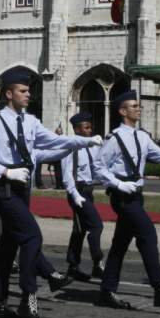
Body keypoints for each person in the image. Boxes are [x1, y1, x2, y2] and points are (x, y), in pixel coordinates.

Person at [0, 71, 99, 318]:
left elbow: (52, 140)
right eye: (23, 91)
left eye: (29, 91)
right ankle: (28, 298)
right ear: (9, 94)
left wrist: (81, 142)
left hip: (22, 189)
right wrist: (5, 171)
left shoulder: (30, 121)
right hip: (4, 188)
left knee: (8, 243)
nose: (28, 94)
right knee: (32, 236)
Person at [92, 90, 160, 311]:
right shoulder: (114, 138)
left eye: (139, 105)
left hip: (136, 195)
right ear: (123, 111)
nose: (139, 108)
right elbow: (98, 167)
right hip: (123, 196)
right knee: (147, 235)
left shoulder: (141, 136)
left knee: (120, 245)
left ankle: (107, 290)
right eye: (134, 106)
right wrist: (118, 184)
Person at [59, 112, 106, 283]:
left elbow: (99, 168)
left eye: (90, 127)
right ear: (77, 130)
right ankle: (98, 263)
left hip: (88, 191)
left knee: (79, 230)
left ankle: (73, 266)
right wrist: (75, 195)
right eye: (86, 128)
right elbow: (67, 176)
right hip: (77, 192)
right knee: (96, 226)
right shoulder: (70, 147)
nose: (90, 130)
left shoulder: (93, 146)